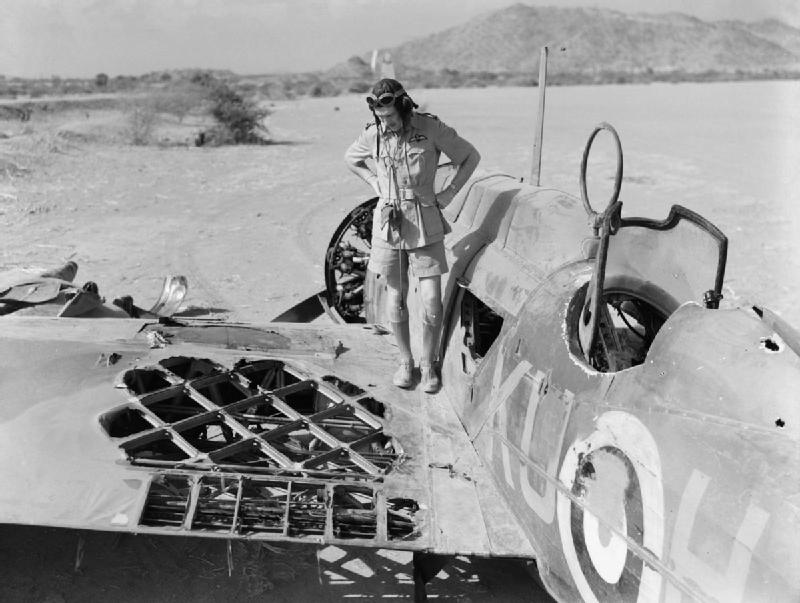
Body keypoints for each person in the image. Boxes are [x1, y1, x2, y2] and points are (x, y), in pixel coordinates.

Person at [344, 78, 480, 393]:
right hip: (389, 223)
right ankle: (406, 362)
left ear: (404, 107)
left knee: (432, 302)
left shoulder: (431, 129)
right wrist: (375, 184)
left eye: (390, 116)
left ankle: (428, 363)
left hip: (424, 221)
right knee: (396, 298)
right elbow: (351, 159)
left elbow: (470, 157)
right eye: (381, 117)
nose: (386, 123)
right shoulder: (373, 133)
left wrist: (447, 194)